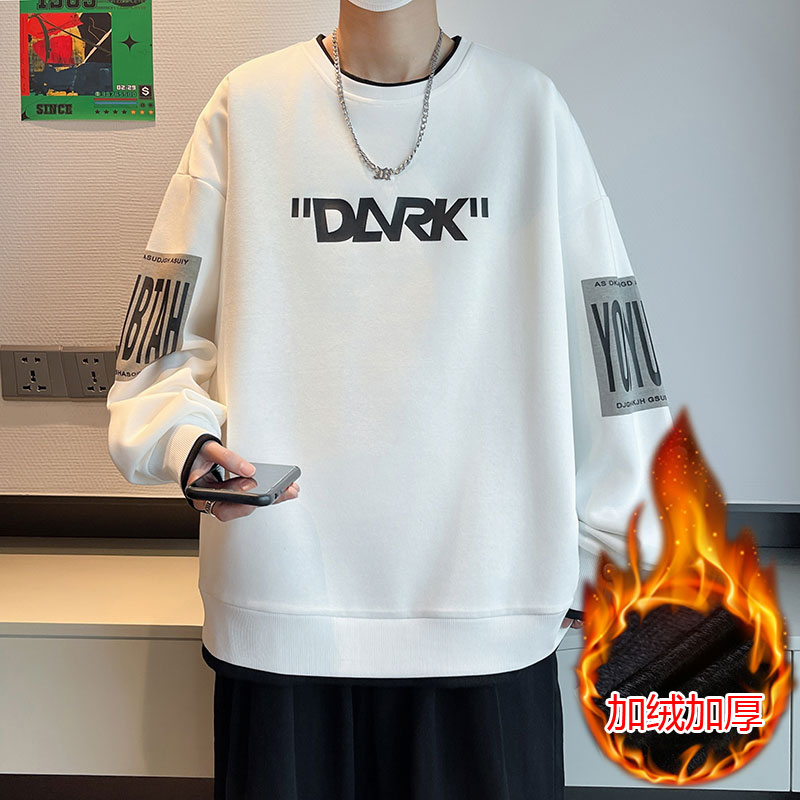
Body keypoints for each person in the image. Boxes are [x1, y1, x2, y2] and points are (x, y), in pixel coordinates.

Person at [106, 0, 673, 797]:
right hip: (281, 605)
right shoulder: (247, 105)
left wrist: (605, 550)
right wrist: (183, 443)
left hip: (490, 611)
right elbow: (156, 344)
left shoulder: (527, 111)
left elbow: (611, 338)